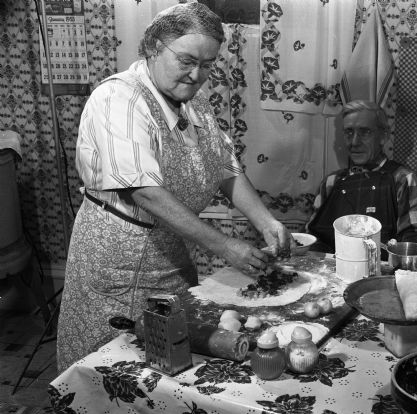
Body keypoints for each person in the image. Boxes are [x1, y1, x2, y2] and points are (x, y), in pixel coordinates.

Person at [57, 3, 292, 373]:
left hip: (169, 253)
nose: (197, 74)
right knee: (114, 367)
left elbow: (226, 167)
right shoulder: (120, 98)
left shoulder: (194, 103)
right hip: (119, 263)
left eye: (208, 64)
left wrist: (266, 222)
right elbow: (144, 191)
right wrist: (225, 245)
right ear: (153, 47)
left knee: (171, 362)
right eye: (186, 60)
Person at [307, 100, 417, 251]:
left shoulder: (404, 179)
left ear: (383, 136)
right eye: (349, 132)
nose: (354, 142)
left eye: (364, 132)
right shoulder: (331, 182)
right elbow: (311, 239)